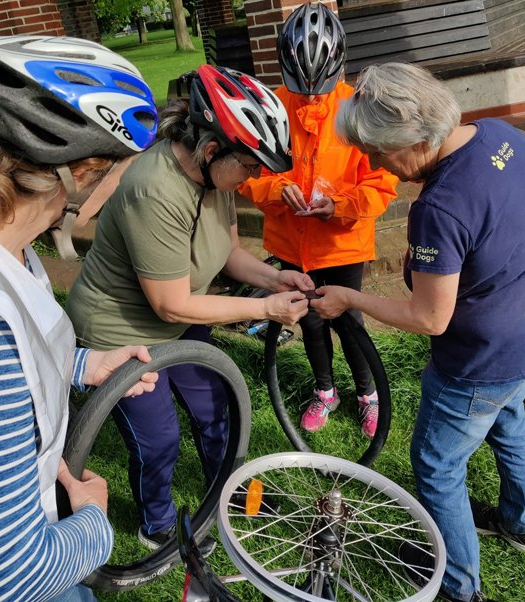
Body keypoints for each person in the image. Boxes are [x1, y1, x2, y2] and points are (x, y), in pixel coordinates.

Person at [312, 61, 525, 602]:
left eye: (376, 152)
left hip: (475, 363)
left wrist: (348, 297)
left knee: (437, 467)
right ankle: (524, 525)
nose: (375, 165)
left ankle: (459, 588)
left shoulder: (438, 206)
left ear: (414, 138)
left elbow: (429, 318)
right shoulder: (503, 137)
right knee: (509, 423)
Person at [66, 64, 313, 552]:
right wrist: (265, 312)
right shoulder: (154, 189)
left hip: (180, 314)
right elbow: (171, 304)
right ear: (210, 149)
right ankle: (156, 525)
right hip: (122, 331)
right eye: (249, 164)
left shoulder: (215, 179)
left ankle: (231, 496)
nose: (254, 176)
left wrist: (272, 277)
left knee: (216, 409)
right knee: (158, 440)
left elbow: (225, 252)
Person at [0, 35, 160, 601]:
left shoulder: (10, 247)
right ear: (79, 173)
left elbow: (23, 361)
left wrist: (83, 364)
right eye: (117, 169)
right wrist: (94, 524)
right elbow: (8, 576)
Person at [238, 2, 398, 439]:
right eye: (300, 88)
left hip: (341, 245)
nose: (309, 98)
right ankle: (325, 389)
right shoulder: (271, 106)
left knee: (348, 320)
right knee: (307, 319)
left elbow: (382, 184)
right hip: (291, 243)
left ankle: (368, 394)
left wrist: (340, 205)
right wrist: (275, 189)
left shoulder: (360, 108)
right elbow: (247, 175)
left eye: (318, 88)